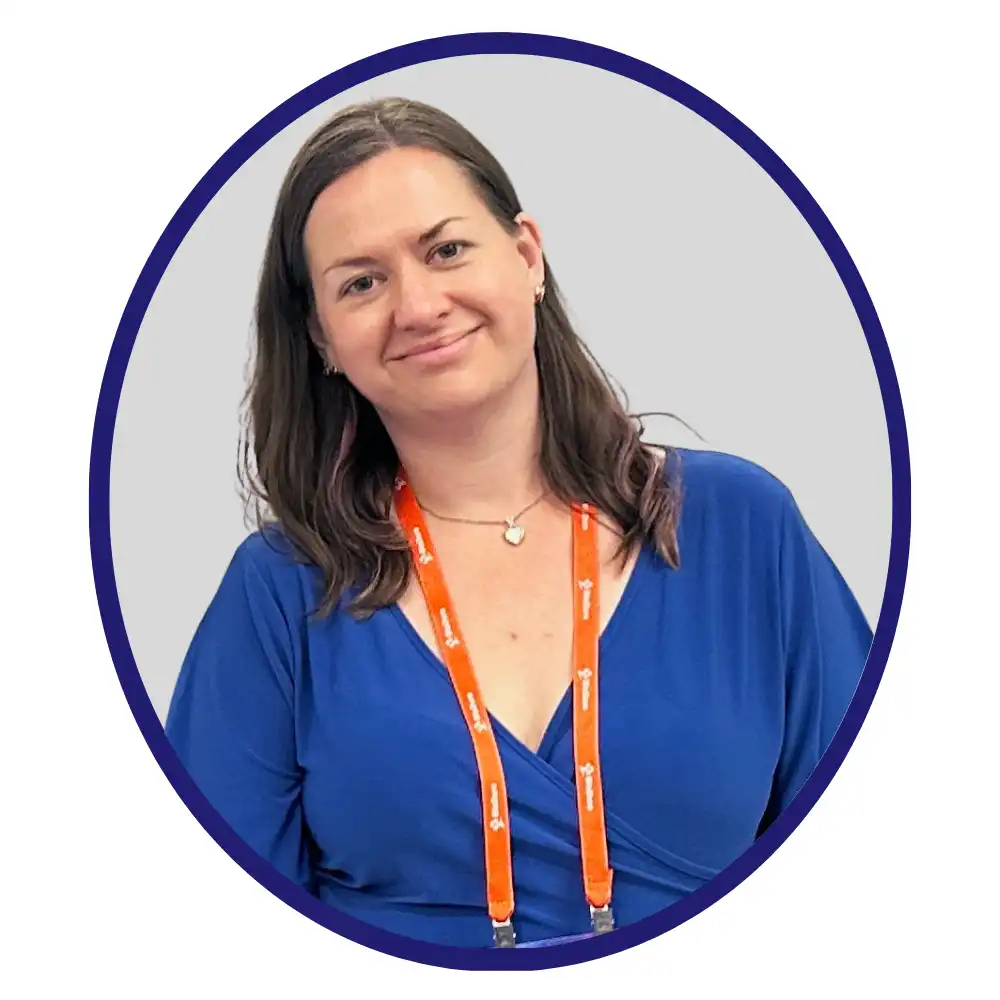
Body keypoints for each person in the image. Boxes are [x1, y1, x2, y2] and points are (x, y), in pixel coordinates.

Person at [165, 97, 873, 949]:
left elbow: (867, 870)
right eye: (362, 282)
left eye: (447, 249)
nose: (419, 304)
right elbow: (216, 941)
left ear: (528, 255)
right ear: (321, 337)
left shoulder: (740, 529)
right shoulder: (281, 592)